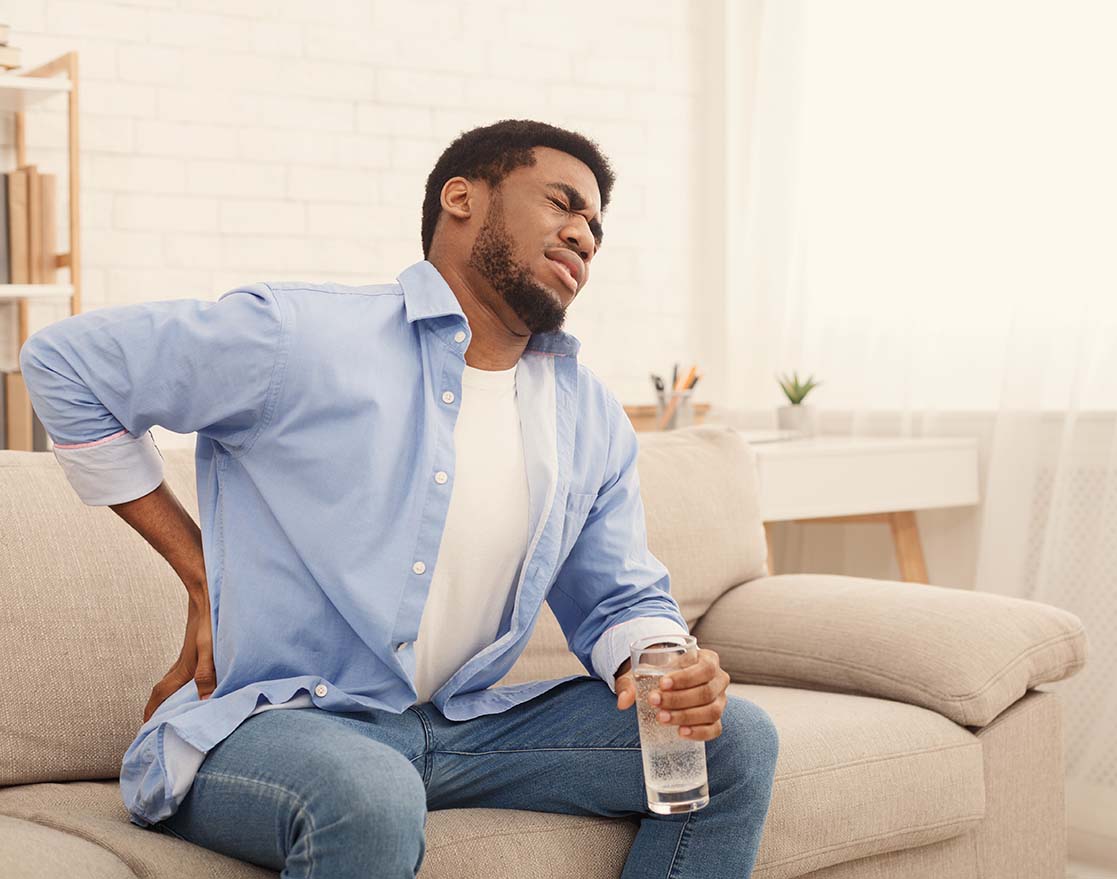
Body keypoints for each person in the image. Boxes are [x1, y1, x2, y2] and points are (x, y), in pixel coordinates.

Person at [20, 118, 779, 878]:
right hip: (278, 723)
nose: (583, 233)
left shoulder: (587, 415)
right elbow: (65, 365)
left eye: (595, 227)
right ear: (462, 198)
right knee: (372, 791)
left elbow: (617, 597)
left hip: (458, 728)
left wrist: (665, 662)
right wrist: (199, 572)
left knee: (732, 746)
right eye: (561, 202)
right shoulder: (304, 337)